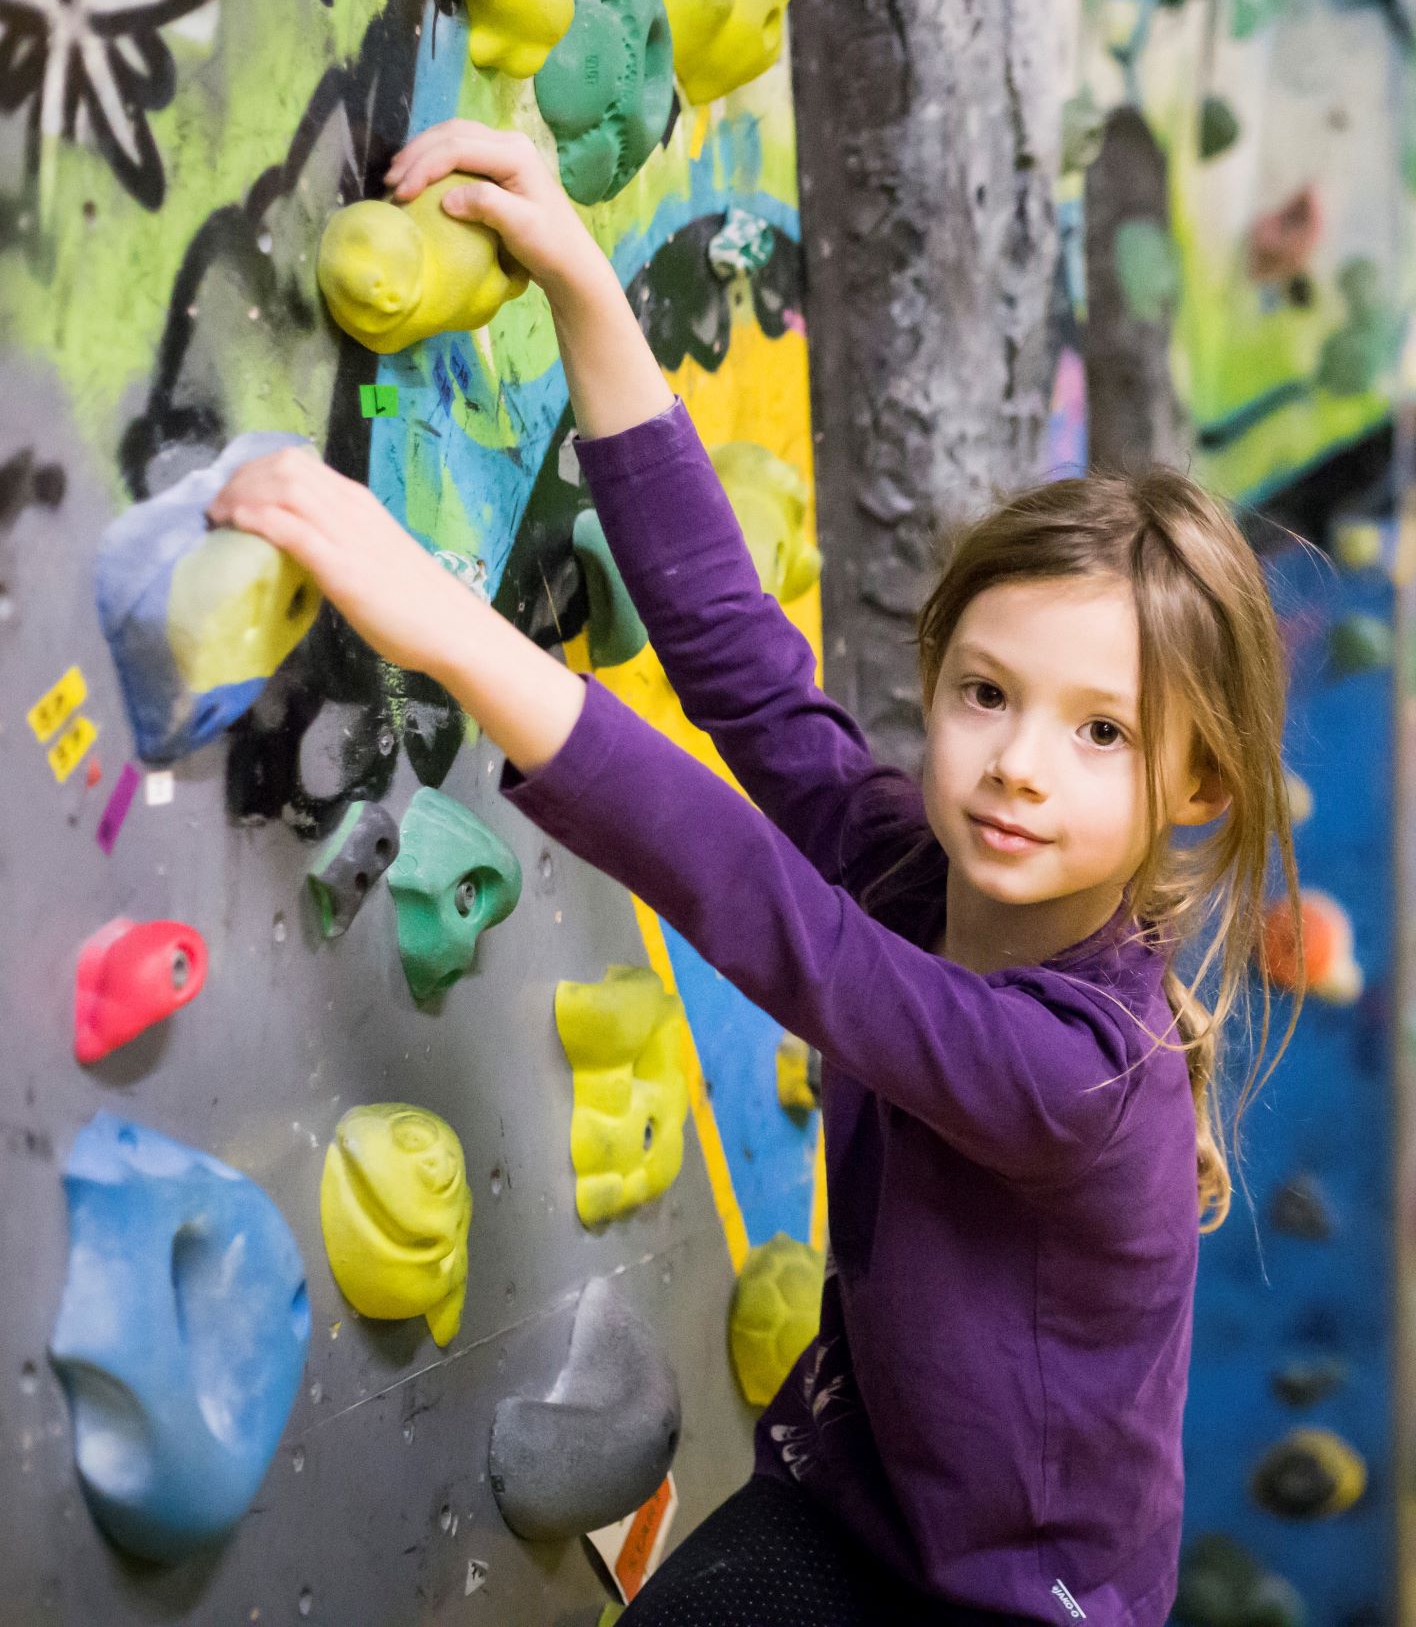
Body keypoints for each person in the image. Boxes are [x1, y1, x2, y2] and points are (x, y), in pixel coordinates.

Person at [212, 120, 1300, 1626]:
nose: (1019, 762)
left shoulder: (1085, 1073)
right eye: (987, 693)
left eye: (1101, 731)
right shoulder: (918, 874)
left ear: (1197, 786)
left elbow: (787, 931)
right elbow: (747, 677)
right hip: (851, 1509)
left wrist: (452, 631)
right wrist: (585, 286)